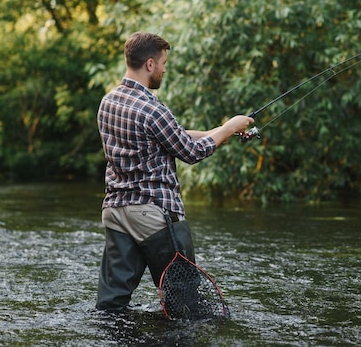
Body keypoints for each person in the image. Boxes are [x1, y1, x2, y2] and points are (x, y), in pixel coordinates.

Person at [95, 32, 253, 311]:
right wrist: (228, 127)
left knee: (111, 305)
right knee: (185, 303)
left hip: (116, 212)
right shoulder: (152, 109)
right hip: (152, 214)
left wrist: (221, 132)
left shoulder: (108, 102)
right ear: (150, 64)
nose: (166, 68)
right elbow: (190, 153)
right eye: (164, 62)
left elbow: (173, 137)